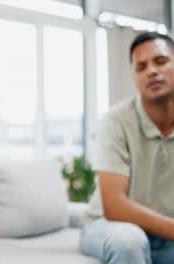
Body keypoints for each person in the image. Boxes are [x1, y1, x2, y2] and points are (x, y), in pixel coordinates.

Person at [80, 32, 174, 264]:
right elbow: (114, 206)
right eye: (141, 67)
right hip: (108, 225)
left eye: (160, 61)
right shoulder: (116, 121)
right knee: (129, 241)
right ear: (134, 77)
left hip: (166, 230)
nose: (151, 71)